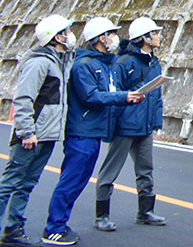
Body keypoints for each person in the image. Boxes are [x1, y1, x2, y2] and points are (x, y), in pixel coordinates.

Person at [41, 17, 142, 247]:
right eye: (112, 34)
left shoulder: (106, 63)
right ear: (100, 39)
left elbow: (112, 91)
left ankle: (59, 224)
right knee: (71, 180)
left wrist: (127, 98)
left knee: (79, 181)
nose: (116, 38)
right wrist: (123, 97)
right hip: (81, 133)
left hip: (94, 132)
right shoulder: (83, 65)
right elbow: (91, 96)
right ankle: (53, 228)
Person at [0, 15, 75, 246]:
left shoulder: (59, 61)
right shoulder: (39, 62)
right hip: (31, 135)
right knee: (10, 183)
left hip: (47, 135)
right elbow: (23, 99)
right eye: (66, 31)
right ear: (56, 37)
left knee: (28, 183)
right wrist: (26, 132)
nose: (70, 34)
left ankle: (13, 228)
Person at [94, 17, 166, 231]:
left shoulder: (154, 62)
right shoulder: (123, 62)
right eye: (155, 33)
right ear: (144, 38)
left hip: (144, 125)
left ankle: (145, 211)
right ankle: (102, 216)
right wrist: (113, 124)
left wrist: (156, 120)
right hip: (125, 125)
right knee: (111, 169)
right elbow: (114, 93)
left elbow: (157, 95)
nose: (158, 37)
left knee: (146, 169)